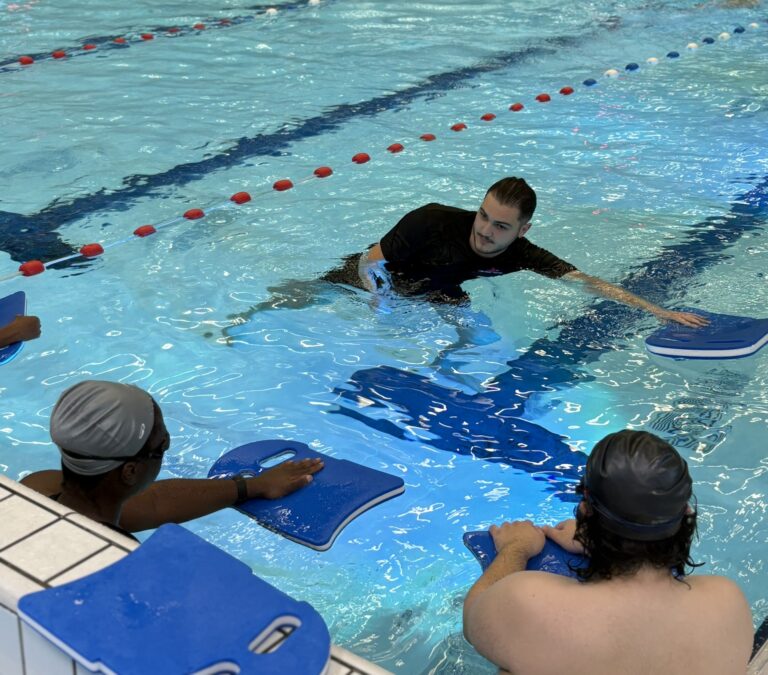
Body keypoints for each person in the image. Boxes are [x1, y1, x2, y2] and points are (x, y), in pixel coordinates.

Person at [229, 178, 706, 330]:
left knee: (473, 330)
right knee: (311, 294)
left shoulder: (523, 254)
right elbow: (369, 261)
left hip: (439, 289)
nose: (485, 231)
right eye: (483, 217)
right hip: (380, 279)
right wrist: (381, 303)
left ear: (522, 231)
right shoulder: (433, 218)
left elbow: (587, 281)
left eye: (501, 227)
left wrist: (657, 310)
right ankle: (243, 321)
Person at [463, 429, 754, 675]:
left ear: (585, 509)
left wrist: (515, 548)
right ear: (686, 514)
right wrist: (604, 543)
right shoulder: (728, 604)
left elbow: (473, 617)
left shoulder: (528, 601)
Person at [21, 380, 323, 539]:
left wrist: (253, 486)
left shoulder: (35, 489)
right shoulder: (112, 558)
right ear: (129, 471)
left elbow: (153, 503)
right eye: (162, 442)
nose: (167, 443)